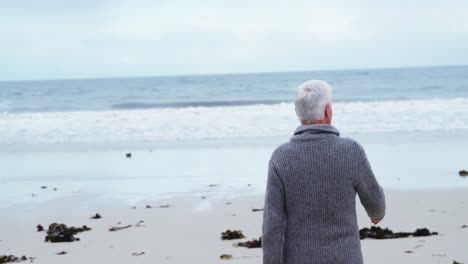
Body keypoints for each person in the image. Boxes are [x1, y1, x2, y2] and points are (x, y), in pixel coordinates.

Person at [262, 80, 386, 264]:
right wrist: (377, 214)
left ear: (298, 112)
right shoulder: (351, 151)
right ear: (328, 110)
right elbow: (375, 203)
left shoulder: (281, 157)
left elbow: (272, 225)